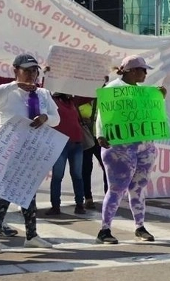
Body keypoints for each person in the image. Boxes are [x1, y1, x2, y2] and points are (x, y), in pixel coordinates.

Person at [0, 53, 57, 254]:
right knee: (4, 195)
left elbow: (56, 118)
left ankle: (31, 235)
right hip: (9, 149)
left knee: (29, 193)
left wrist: (45, 118)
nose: (32, 74)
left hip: (32, 150)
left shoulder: (43, 94)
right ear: (16, 71)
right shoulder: (7, 92)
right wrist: (16, 85)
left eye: (35, 70)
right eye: (27, 70)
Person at [94, 55, 163, 244]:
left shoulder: (143, 92)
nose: (146, 73)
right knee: (117, 188)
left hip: (144, 144)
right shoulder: (112, 89)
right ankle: (105, 230)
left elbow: (153, 115)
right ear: (131, 71)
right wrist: (100, 134)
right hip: (120, 146)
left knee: (139, 187)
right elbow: (102, 114)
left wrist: (158, 98)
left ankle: (140, 227)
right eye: (142, 70)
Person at [47, 93, 87, 216]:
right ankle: (55, 206)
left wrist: (102, 82)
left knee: (77, 176)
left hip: (76, 143)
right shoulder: (53, 101)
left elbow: (90, 93)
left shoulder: (74, 101)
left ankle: (80, 204)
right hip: (60, 144)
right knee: (58, 176)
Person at [77, 97, 107, 209]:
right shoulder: (78, 100)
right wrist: (80, 119)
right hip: (86, 137)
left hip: (100, 138)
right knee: (86, 168)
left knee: (107, 166)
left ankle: (108, 194)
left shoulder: (103, 99)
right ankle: (88, 198)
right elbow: (71, 116)